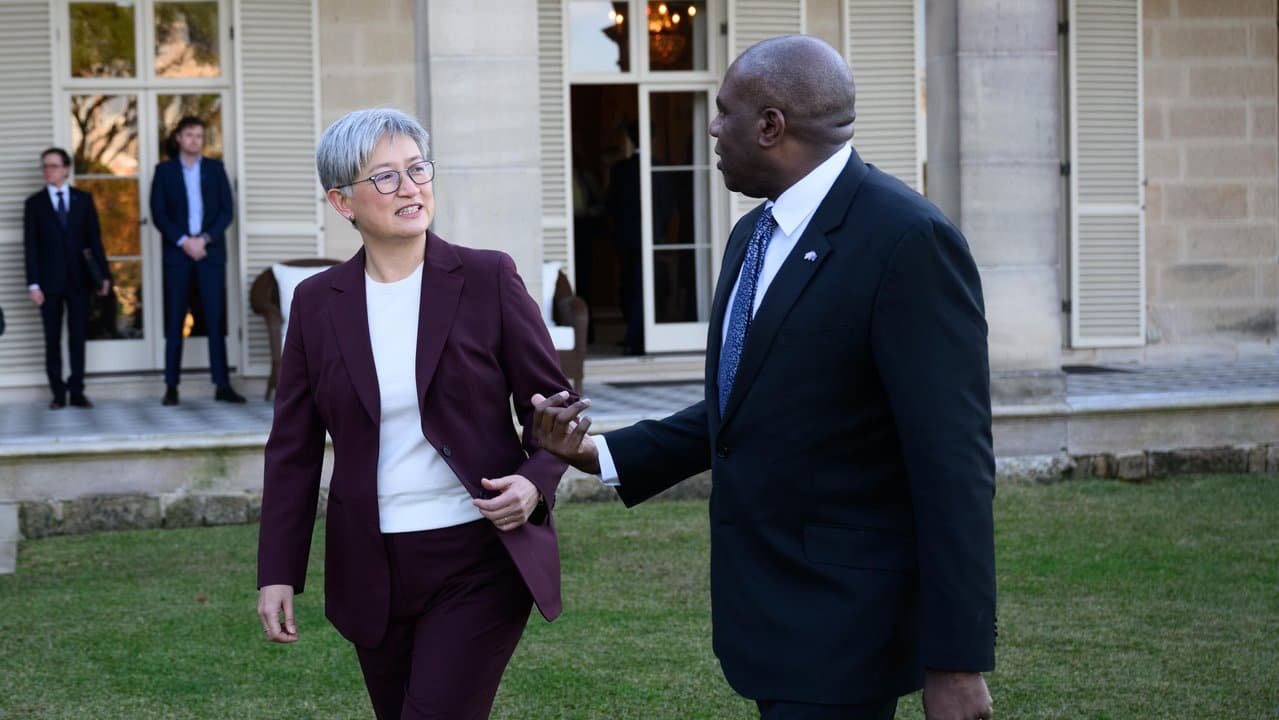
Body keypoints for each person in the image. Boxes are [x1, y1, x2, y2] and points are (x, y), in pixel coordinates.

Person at [532, 35, 996, 720]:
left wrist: (955, 662)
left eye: (723, 112)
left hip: (848, 625)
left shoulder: (906, 240)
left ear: (770, 125)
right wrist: (598, 452)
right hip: (771, 618)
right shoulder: (753, 234)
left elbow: (953, 465)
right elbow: (742, 406)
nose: (712, 128)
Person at [256, 108, 572, 719]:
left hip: (479, 557)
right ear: (343, 202)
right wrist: (277, 572)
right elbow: (291, 450)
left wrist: (534, 485)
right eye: (385, 177)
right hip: (371, 565)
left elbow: (555, 409)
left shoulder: (488, 278)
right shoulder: (317, 304)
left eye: (417, 168)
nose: (410, 187)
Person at [149, 115, 245, 405]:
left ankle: (222, 384)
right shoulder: (164, 172)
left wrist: (203, 240)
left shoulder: (216, 170)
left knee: (214, 318)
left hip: (209, 253)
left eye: (199, 136)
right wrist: (183, 241)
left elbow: (227, 212)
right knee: (175, 317)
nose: (195, 140)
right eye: (189, 134)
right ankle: (171, 386)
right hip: (177, 256)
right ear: (178, 137)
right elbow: (158, 212)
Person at [23, 147, 112, 409]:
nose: (47, 171)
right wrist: (33, 284)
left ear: (66, 169)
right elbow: (31, 247)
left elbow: (95, 241)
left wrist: (103, 275)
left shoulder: (83, 200)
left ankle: (77, 390)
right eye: (45, 166)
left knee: (77, 337)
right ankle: (58, 392)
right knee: (52, 339)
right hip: (48, 284)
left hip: (78, 281)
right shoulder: (34, 204)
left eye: (52, 166)